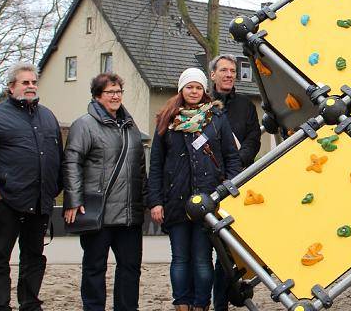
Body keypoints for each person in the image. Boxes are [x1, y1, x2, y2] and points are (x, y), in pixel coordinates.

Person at [0, 63, 63, 311]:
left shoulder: (48, 117)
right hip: (6, 202)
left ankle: (30, 303)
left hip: (39, 201)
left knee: (34, 257)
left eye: (34, 82)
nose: (31, 86)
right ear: (11, 87)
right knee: (0, 256)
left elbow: (59, 157)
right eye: (25, 82)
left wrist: (55, 187)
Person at [149, 67, 242, 311]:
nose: (194, 91)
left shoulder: (216, 119)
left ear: (204, 90)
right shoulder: (167, 120)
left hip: (208, 200)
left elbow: (231, 157)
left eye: (198, 87)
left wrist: (227, 190)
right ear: (181, 89)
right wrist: (155, 201)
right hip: (176, 200)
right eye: (189, 87)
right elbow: (156, 164)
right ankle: (182, 303)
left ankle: (201, 304)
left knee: (202, 259)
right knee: (180, 259)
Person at [63, 73, 147, 311]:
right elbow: (72, 163)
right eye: (110, 92)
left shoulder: (130, 126)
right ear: (97, 96)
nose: (115, 96)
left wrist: (145, 201)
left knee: (130, 267)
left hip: (129, 214)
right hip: (98, 212)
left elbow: (140, 168)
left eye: (118, 91)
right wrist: (73, 200)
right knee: (94, 267)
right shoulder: (84, 125)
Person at [208, 54, 261, 311]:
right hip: (208, 182)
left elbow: (253, 138)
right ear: (213, 75)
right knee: (203, 251)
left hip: (236, 182)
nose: (229, 75)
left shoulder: (245, 106)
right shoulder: (203, 104)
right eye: (224, 71)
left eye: (232, 71)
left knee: (227, 251)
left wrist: (236, 162)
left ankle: (221, 304)